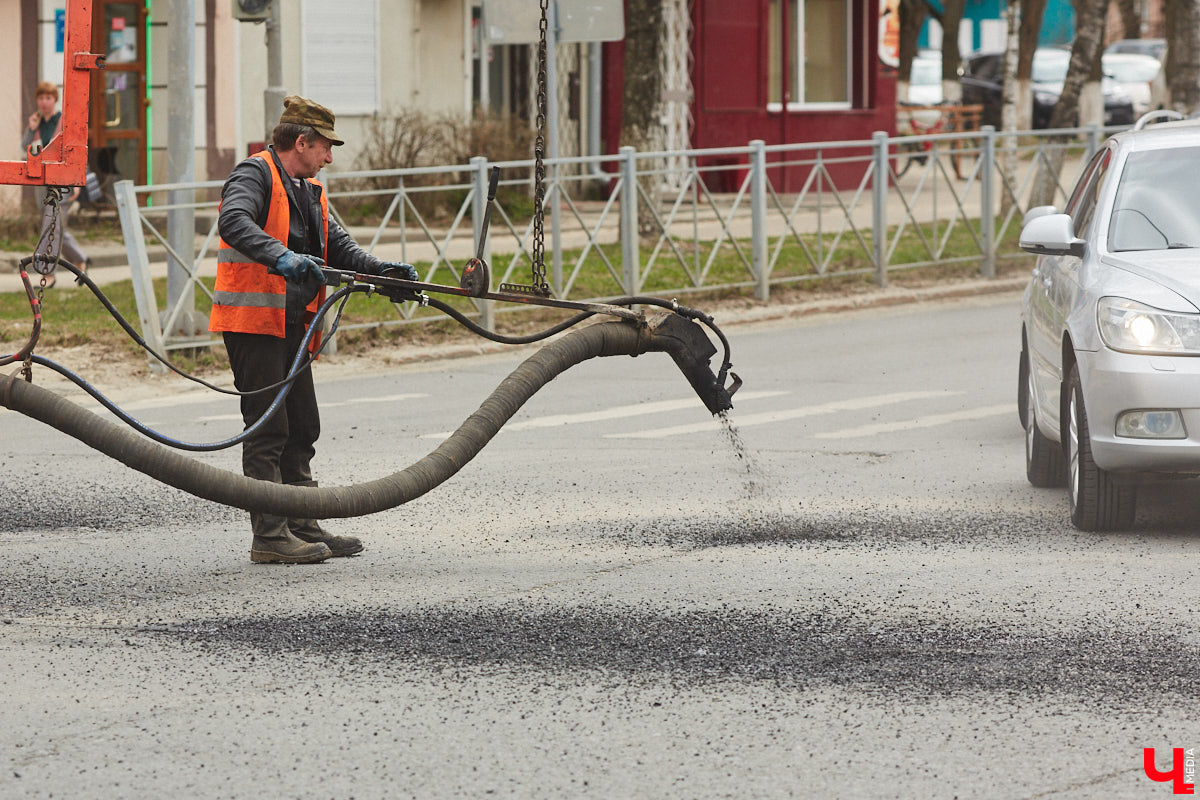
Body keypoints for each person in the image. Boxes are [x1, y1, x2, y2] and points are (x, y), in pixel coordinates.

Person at [211, 96, 418, 564]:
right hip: (254, 321)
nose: (330, 157)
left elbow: (340, 246)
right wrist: (281, 257)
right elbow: (233, 221)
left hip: (293, 325)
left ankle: (301, 522)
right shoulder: (255, 174)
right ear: (301, 142)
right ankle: (269, 535)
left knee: (302, 425)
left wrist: (380, 271)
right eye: (325, 146)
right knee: (267, 429)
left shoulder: (308, 189)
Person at [21, 81, 91, 287]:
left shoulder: (63, 121)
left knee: (51, 226)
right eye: (41, 98)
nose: (44, 102)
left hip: (63, 183)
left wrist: (77, 180)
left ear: (55, 100)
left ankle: (47, 273)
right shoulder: (36, 124)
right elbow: (22, 150)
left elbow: (75, 148)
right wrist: (30, 129)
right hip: (42, 184)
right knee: (55, 226)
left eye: (48, 98)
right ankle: (80, 259)